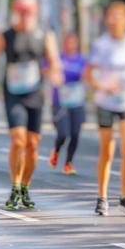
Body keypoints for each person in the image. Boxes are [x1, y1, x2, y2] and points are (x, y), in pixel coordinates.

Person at [0, 0, 62, 210]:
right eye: (21, 12)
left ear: (34, 13)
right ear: (15, 12)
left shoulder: (45, 34)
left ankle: (25, 186)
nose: (24, 16)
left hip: (35, 94)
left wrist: (54, 74)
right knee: (18, 140)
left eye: (28, 12)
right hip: (13, 93)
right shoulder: (5, 35)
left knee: (33, 143)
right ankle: (15, 186)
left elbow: (54, 61)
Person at [83, 1, 125, 216]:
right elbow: (88, 74)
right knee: (106, 150)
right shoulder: (101, 44)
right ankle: (102, 197)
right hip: (105, 103)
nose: (114, 20)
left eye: (118, 16)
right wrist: (102, 86)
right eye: (110, 16)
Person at [48, 33, 87, 175]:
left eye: (73, 42)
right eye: (67, 42)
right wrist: (53, 74)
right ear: (63, 44)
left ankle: (68, 162)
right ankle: (57, 150)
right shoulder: (57, 59)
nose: (70, 45)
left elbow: (89, 74)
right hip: (60, 102)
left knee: (75, 134)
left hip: (77, 102)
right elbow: (46, 69)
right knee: (63, 133)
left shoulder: (82, 60)